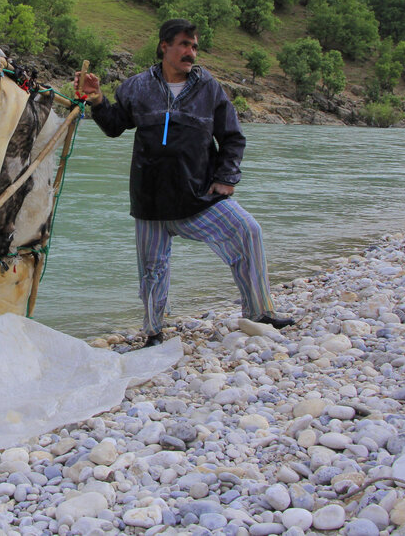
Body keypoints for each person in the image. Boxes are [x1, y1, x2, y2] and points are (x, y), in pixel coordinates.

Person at [75, 18, 294, 346]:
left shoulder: (208, 88)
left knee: (248, 231)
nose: (191, 52)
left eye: (194, 46)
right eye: (184, 45)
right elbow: (115, 125)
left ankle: (260, 312)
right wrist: (96, 100)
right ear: (164, 46)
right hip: (150, 201)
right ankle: (153, 332)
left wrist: (226, 178)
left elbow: (232, 137)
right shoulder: (136, 87)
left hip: (198, 197)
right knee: (152, 270)